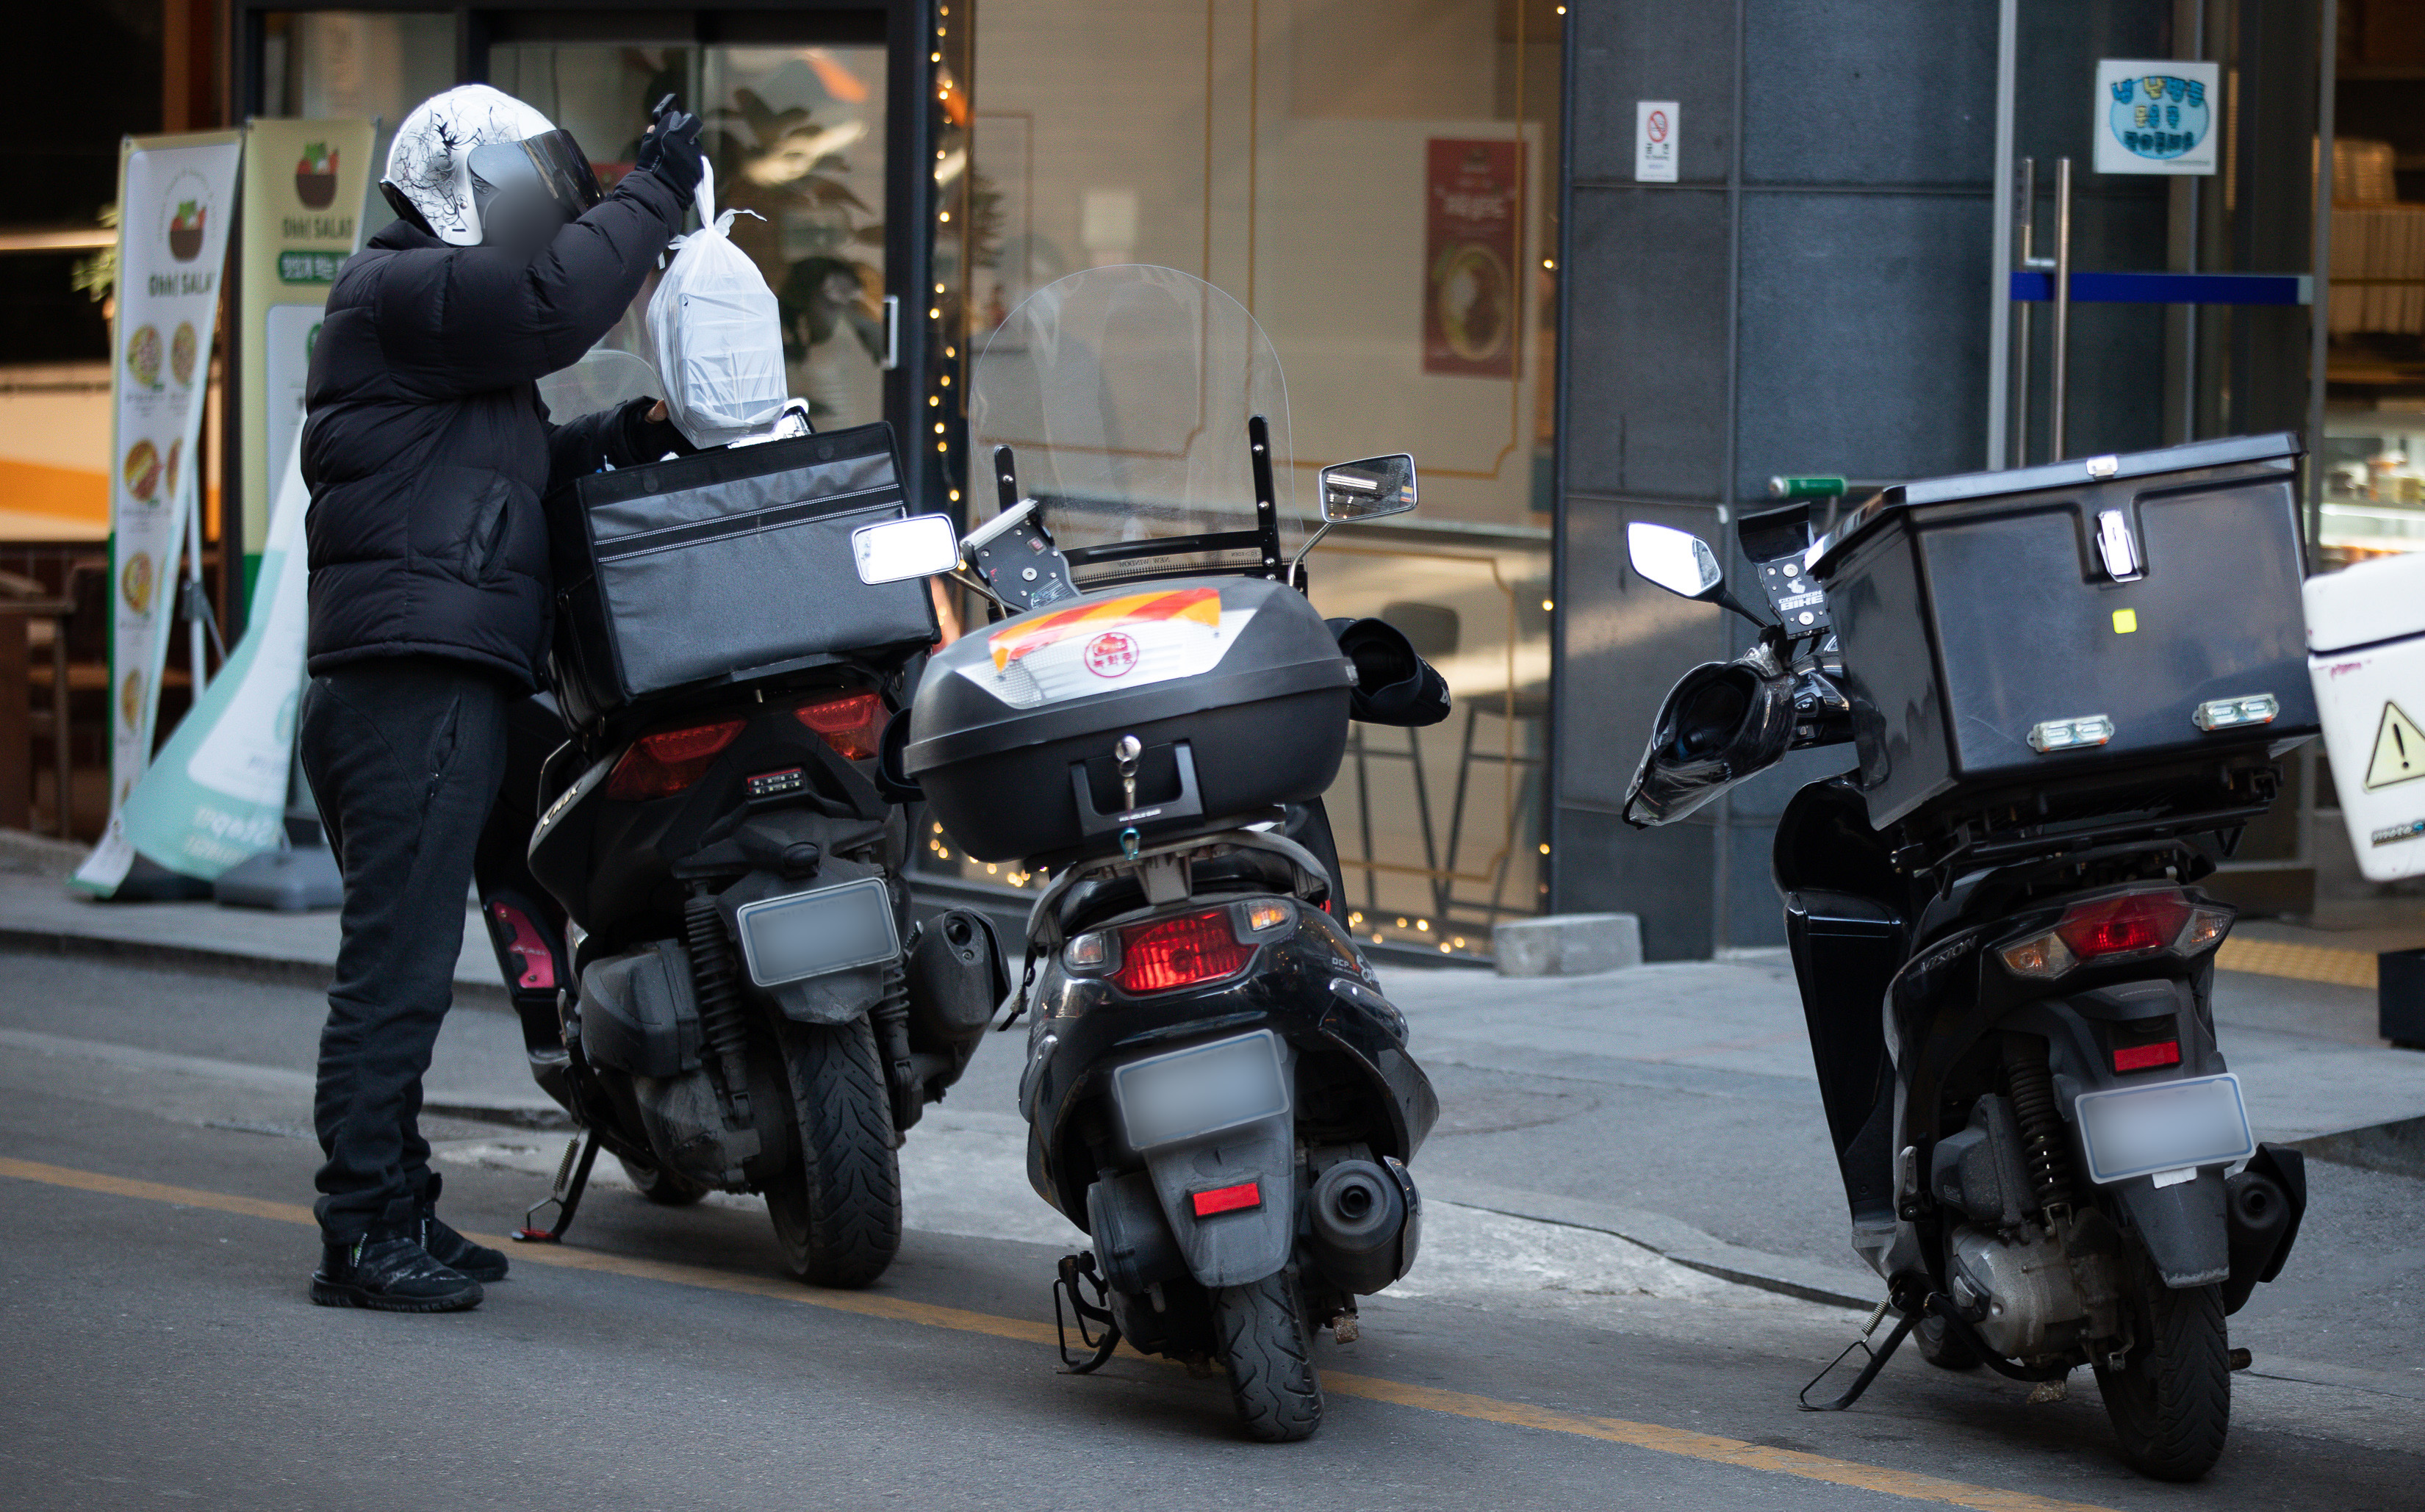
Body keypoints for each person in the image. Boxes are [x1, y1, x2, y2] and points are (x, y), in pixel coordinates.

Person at [296, 84, 704, 1311]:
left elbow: (517, 473)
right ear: (463, 184)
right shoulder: (398, 291)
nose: (541, 216)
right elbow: (548, 306)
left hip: (448, 678)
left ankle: (400, 1196)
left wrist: (619, 435)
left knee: (463, 931)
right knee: (397, 969)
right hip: (407, 685)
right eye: (527, 187)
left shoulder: (445, 338)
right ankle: (361, 1231)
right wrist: (654, 189)